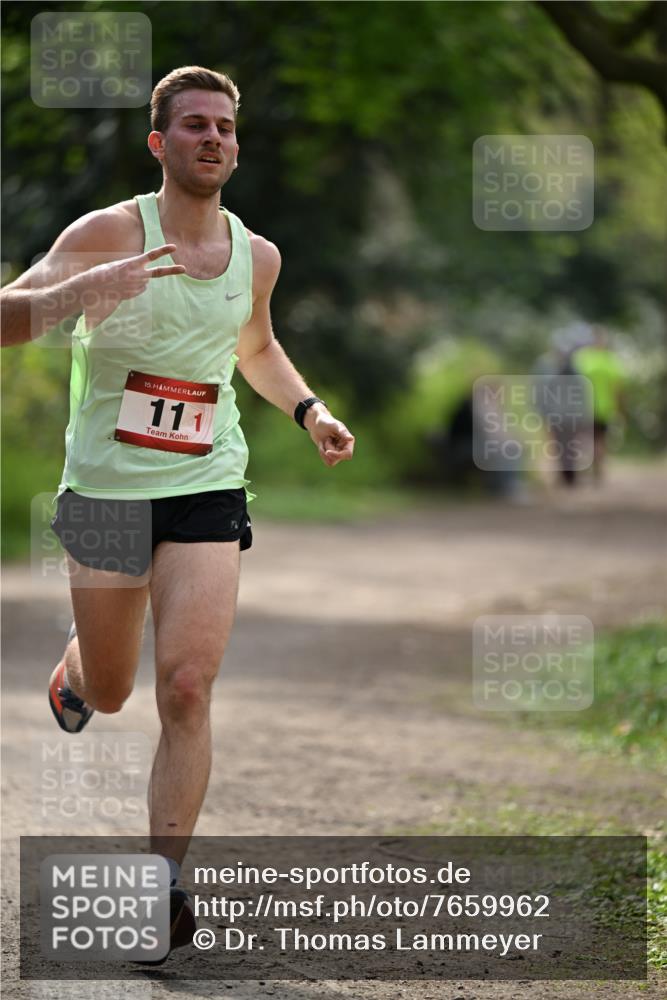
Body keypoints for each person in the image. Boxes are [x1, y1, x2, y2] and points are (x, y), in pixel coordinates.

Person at [0, 65, 354, 959]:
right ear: (160, 143)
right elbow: (7, 316)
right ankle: (78, 671)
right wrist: (80, 293)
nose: (213, 139)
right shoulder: (108, 231)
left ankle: (162, 891)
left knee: (187, 687)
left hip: (205, 483)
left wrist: (310, 411)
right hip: (106, 496)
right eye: (194, 125)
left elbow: (257, 344)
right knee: (116, 691)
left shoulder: (255, 254)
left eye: (225, 127)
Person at [572, 325, 625, 483]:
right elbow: (617, 387)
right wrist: (620, 408)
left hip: (583, 407)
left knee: (584, 439)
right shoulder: (610, 360)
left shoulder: (581, 359)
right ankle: (598, 469)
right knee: (600, 439)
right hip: (604, 408)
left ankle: (587, 466)